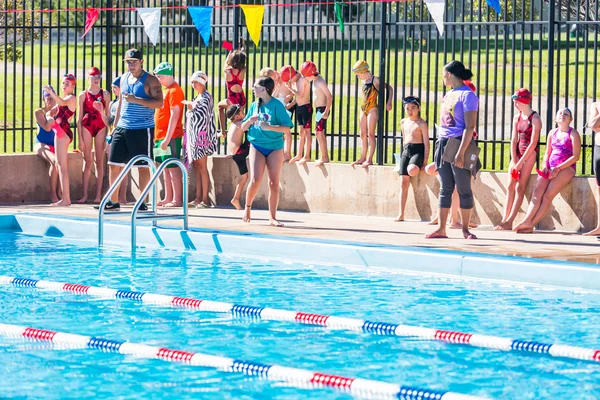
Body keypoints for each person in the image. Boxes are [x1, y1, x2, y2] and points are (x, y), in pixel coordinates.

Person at [100, 49, 164, 212]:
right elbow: (121, 101)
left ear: (141, 62)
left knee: (142, 166)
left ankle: (142, 201)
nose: (131, 65)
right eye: (128, 62)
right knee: (113, 164)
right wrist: (115, 125)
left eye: (134, 62)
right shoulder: (123, 78)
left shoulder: (150, 80)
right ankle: (113, 202)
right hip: (123, 127)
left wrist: (136, 100)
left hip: (142, 128)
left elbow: (159, 103)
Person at [426, 60, 478, 240]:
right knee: (445, 188)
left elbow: (470, 126)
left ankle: (465, 229)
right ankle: (441, 229)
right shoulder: (448, 95)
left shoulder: (468, 95)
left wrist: (461, 153)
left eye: (443, 74)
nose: (442, 77)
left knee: (463, 188)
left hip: (458, 143)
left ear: (449, 74)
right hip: (443, 143)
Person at [514, 108, 581, 233]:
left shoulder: (573, 134)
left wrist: (558, 168)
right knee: (537, 192)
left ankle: (531, 224)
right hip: (550, 168)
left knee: (547, 195)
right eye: (560, 113)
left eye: (566, 114)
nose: (562, 115)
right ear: (555, 119)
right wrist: (545, 164)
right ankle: (527, 220)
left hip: (566, 168)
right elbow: (547, 153)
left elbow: (575, 157)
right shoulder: (552, 133)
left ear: (570, 119)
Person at [240, 76, 294, 226]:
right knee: (255, 179)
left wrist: (269, 127)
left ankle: (272, 217)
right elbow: (243, 127)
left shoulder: (277, 106)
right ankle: (247, 207)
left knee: (273, 182)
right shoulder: (254, 105)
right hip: (257, 145)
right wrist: (250, 120)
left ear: (264, 89)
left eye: (255, 86)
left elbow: (287, 128)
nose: (252, 88)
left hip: (274, 147)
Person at [494, 88, 542, 230]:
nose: (515, 104)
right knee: (510, 186)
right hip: (518, 154)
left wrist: (521, 162)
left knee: (520, 187)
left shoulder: (535, 119)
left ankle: (510, 220)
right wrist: (514, 161)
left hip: (529, 154)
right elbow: (513, 139)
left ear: (524, 101)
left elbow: (533, 143)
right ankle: (504, 219)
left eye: (517, 102)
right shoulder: (517, 117)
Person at [35, 74, 78, 207]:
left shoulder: (71, 98)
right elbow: (49, 113)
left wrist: (51, 93)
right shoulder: (63, 99)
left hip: (62, 134)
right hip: (59, 133)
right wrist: (49, 118)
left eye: (67, 83)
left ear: (73, 86)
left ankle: (66, 199)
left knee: (62, 167)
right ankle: (65, 198)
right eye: (63, 83)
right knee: (61, 166)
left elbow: (61, 103)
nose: (64, 85)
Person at [76, 67, 111, 204]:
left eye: (98, 77)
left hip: (100, 125)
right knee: (87, 161)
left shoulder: (105, 94)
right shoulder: (83, 95)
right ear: (88, 78)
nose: (96, 79)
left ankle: (98, 195)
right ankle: (84, 195)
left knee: (99, 161)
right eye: (93, 77)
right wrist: (80, 139)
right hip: (87, 125)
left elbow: (108, 117)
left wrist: (108, 134)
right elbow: (79, 119)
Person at [183, 71, 218, 208]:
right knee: (197, 167)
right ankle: (198, 198)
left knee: (202, 167)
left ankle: (205, 199)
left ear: (202, 82)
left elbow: (202, 113)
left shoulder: (206, 97)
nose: (193, 85)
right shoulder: (198, 97)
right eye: (192, 82)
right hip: (195, 138)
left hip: (202, 138)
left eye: (195, 82)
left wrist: (192, 107)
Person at [153, 62, 185, 208]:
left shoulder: (174, 91)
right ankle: (168, 197)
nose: (158, 80)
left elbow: (175, 114)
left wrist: (167, 138)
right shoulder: (167, 90)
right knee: (165, 168)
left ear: (167, 75)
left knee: (172, 167)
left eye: (159, 77)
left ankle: (177, 200)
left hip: (170, 136)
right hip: (160, 136)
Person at [351, 60, 394, 168]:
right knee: (362, 134)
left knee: (370, 134)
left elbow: (389, 88)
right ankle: (363, 157)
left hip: (372, 108)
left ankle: (370, 159)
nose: (357, 77)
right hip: (363, 108)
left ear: (363, 71)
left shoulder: (375, 80)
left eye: (358, 75)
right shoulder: (363, 81)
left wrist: (389, 102)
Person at [394, 96, 429, 222]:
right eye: (407, 108)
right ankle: (401, 213)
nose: (410, 111)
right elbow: (404, 140)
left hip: (417, 150)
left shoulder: (422, 123)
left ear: (419, 108)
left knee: (412, 169)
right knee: (403, 182)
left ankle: (415, 166)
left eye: (413, 108)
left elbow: (426, 143)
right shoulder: (403, 122)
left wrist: (425, 162)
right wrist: (401, 156)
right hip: (406, 151)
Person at [300, 61, 333, 167]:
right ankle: (325, 156)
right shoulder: (315, 81)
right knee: (319, 133)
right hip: (319, 110)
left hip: (322, 109)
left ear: (310, 74)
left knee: (318, 133)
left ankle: (324, 157)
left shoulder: (320, 82)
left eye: (305, 75)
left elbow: (329, 96)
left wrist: (326, 111)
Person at [260, 67, 294, 160]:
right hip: (278, 105)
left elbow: (294, 90)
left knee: (286, 131)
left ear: (275, 73)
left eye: (273, 77)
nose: (273, 80)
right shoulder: (275, 83)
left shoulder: (284, 78)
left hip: (285, 105)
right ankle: (281, 152)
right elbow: (274, 94)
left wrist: (289, 97)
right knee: (279, 130)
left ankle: (287, 153)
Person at [34, 86, 60, 204]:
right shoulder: (39, 112)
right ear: (43, 99)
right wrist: (50, 115)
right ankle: (53, 194)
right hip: (41, 144)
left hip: (54, 144)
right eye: (48, 98)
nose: (51, 101)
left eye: (52, 98)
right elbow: (47, 128)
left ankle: (60, 192)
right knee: (54, 161)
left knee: (62, 163)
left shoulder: (59, 111)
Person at [280, 65, 312, 165]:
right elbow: (297, 98)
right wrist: (290, 105)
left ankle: (307, 156)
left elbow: (300, 94)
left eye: (290, 80)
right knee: (301, 133)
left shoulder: (302, 80)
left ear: (293, 76)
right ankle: (299, 154)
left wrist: (290, 88)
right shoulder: (295, 81)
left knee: (307, 133)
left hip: (306, 108)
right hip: (299, 107)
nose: (291, 82)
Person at [106, 76, 128, 204]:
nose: (113, 90)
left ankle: (122, 197)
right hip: (112, 134)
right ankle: (113, 198)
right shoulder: (111, 103)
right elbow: (108, 121)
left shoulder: (126, 102)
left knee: (123, 168)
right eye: (112, 88)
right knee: (114, 166)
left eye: (115, 87)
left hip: (122, 133)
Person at [218, 38, 247, 135]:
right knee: (240, 119)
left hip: (232, 99)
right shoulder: (243, 70)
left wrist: (230, 51)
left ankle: (223, 131)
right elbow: (243, 56)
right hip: (242, 98)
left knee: (219, 107)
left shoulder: (227, 71)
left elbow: (226, 63)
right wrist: (242, 48)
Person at [226, 104, 249, 210]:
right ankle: (235, 198)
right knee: (253, 137)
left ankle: (235, 198)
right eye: (241, 111)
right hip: (240, 153)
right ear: (236, 116)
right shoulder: (240, 123)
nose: (243, 112)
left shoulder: (233, 124)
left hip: (236, 153)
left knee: (244, 177)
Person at [583, 101, 600, 236]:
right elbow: (593, 125)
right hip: (599, 147)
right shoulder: (596, 104)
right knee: (599, 188)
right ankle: (599, 226)